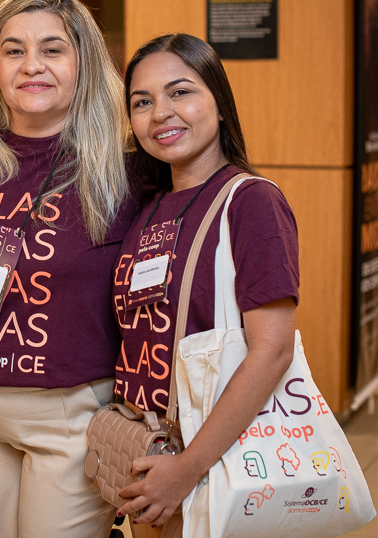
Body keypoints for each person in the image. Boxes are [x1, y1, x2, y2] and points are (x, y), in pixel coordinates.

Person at [0, 0, 137, 538]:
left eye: (53, 49)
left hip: (69, 416)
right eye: (13, 50)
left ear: (83, 63)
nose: (32, 66)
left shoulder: (126, 170)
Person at [112, 33, 299, 536]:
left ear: (219, 103)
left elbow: (274, 350)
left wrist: (188, 467)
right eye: (142, 101)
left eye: (181, 92)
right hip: (152, 452)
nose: (161, 114)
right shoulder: (147, 205)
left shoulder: (251, 202)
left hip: (211, 457)